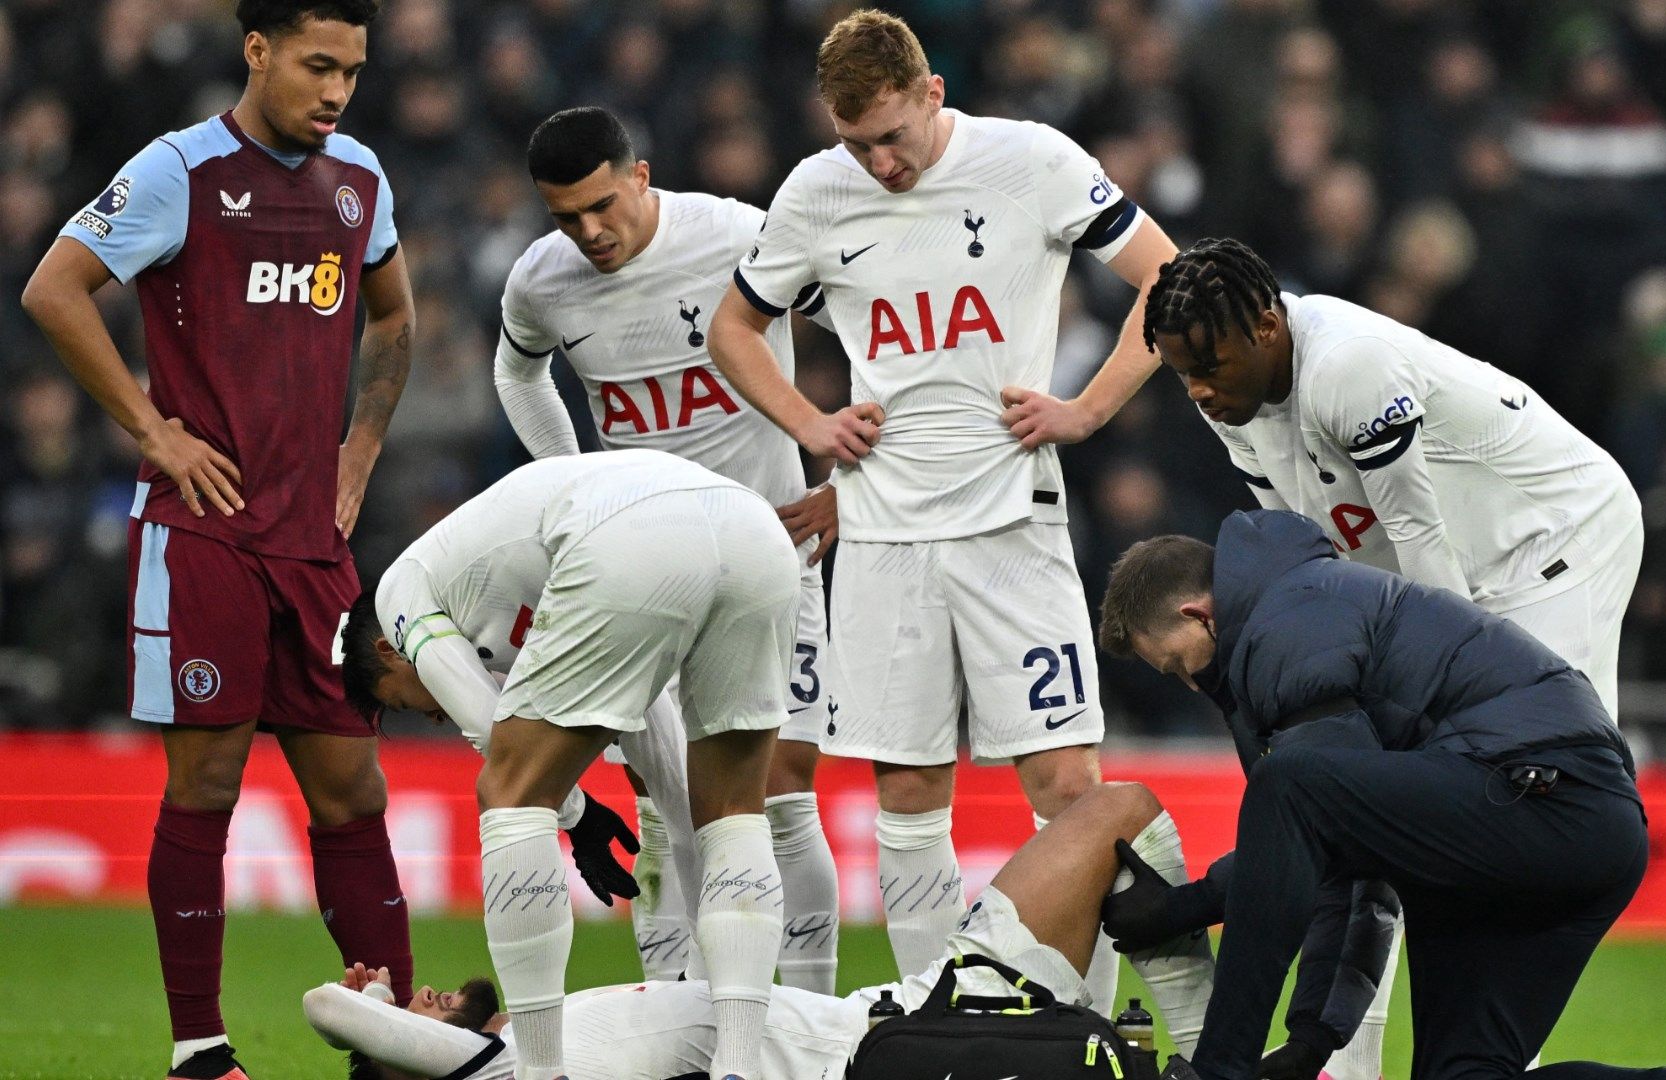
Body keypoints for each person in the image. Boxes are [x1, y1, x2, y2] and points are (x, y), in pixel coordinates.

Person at [706, 9, 1179, 1006]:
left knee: (1065, 787)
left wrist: (1088, 408)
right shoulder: (815, 193)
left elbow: (1166, 279)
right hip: (881, 537)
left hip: (1014, 524)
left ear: (933, 94)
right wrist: (813, 423)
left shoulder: (1033, 162)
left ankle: (1080, 1026)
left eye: (892, 134)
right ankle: (931, 1022)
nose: (879, 162)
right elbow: (736, 328)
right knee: (911, 792)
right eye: (856, 142)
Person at [19, 3, 414, 1078]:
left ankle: (398, 1047)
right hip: (204, 539)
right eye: (317, 66)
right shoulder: (178, 170)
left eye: (354, 71)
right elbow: (53, 289)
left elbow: (394, 319)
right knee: (206, 786)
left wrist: (361, 451)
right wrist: (153, 430)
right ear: (258, 51)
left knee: (355, 794)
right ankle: (200, 1052)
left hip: (313, 548)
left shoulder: (360, 180)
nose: (336, 91)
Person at [1141, 238, 1644, 1080]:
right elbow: (1306, 563)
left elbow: (1422, 550)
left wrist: (1412, 702)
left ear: (1268, 325)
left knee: (1510, 802)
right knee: (1369, 799)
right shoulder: (1228, 395)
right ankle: (1344, 1064)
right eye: (1181, 373)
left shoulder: (1351, 370)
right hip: (1443, 573)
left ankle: (1502, 1054)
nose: (1198, 390)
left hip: (1549, 544)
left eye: (1212, 366)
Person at [1096, 512, 1666, 1080]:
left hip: (1546, 798)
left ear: (1198, 612)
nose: (1190, 685)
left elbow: (1316, 817)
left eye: (1180, 664)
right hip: (1553, 822)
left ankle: (1221, 1070)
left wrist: (1185, 909)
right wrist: (1310, 1043)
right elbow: (1343, 846)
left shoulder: (1288, 620)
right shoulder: (1301, 614)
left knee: (1291, 786)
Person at [491, 105, 840, 993]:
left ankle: (801, 1022)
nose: (590, 232)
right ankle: (674, 1012)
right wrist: (574, 485)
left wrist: (851, 488)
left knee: (779, 793)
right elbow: (517, 368)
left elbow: (871, 329)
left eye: (603, 205)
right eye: (565, 217)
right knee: (662, 807)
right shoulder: (542, 281)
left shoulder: (737, 236)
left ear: (641, 176)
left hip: (771, 553)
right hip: (646, 576)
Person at [340, 449, 794, 1080]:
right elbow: (666, 773)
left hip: (634, 536)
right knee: (726, 813)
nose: (432, 716)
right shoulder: (506, 593)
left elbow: (485, 725)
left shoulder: (400, 591)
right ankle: (740, 1062)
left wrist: (574, 813)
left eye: (410, 703)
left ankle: (542, 1073)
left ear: (391, 652)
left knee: (507, 799)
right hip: (753, 531)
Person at [302, 782, 1216, 1080]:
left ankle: (1220, 1057)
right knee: (1117, 821)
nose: (418, 998)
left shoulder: (541, 1034)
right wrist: (372, 1000)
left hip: (907, 1007)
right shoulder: (514, 1073)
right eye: (412, 1029)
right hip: (892, 1050)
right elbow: (325, 1008)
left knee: (1120, 812)